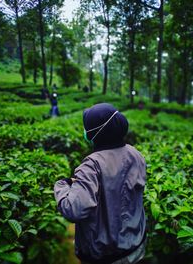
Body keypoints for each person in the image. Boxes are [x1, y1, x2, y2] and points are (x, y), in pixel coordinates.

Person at [54, 103, 146, 264]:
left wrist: (62, 185)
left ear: (95, 133)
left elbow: (73, 210)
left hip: (105, 257)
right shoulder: (135, 154)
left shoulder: (91, 166)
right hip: (136, 248)